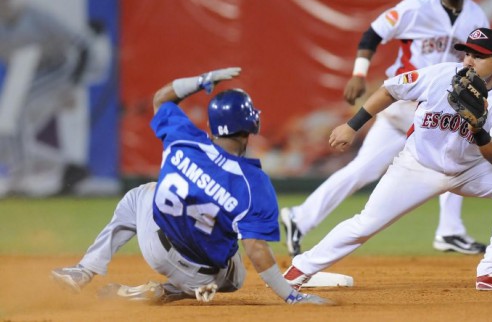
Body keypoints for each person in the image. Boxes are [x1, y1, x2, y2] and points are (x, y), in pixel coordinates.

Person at [283, 28, 492, 291]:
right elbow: (389, 90)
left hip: (471, 170)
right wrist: (352, 125)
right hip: (418, 166)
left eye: (479, 56)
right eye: (467, 53)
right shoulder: (440, 75)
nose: (469, 61)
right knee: (365, 224)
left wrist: (477, 130)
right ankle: (299, 270)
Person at [51, 68, 330, 305]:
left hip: (154, 245)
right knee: (236, 274)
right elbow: (255, 248)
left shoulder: (183, 138)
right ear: (250, 128)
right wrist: (292, 297)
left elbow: (161, 99)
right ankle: (170, 291)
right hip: (202, 274)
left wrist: (201, 80)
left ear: (211, 124)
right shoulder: (253, 182)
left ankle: (84, 270)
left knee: (140, 194)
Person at [281, 0, 490, 256]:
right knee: (453, 147)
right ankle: (449, 231)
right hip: (405, 103)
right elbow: (372, 34)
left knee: (368, 168)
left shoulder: (476, 17)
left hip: (433, 107)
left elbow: (479, 60)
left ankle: (300, 217)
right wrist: (358, 73)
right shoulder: (416, 8)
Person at [0, 0, 112, 197]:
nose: (3, 2)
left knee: (18, 115)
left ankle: (20, 177)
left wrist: (73, 87)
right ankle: (67, 168)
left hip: (60, 70)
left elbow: (83, 45)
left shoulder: (37, 17)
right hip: (31, 73)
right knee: (5, 129)